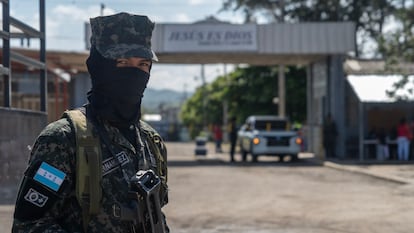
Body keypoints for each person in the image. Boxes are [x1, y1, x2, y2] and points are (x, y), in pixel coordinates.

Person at [12, 12, 169, 232]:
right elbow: (28, 226)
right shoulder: (63, 139)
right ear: (98, 66)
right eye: (122, 62)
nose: (134, 74)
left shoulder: (151, 141)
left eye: (142, 64)